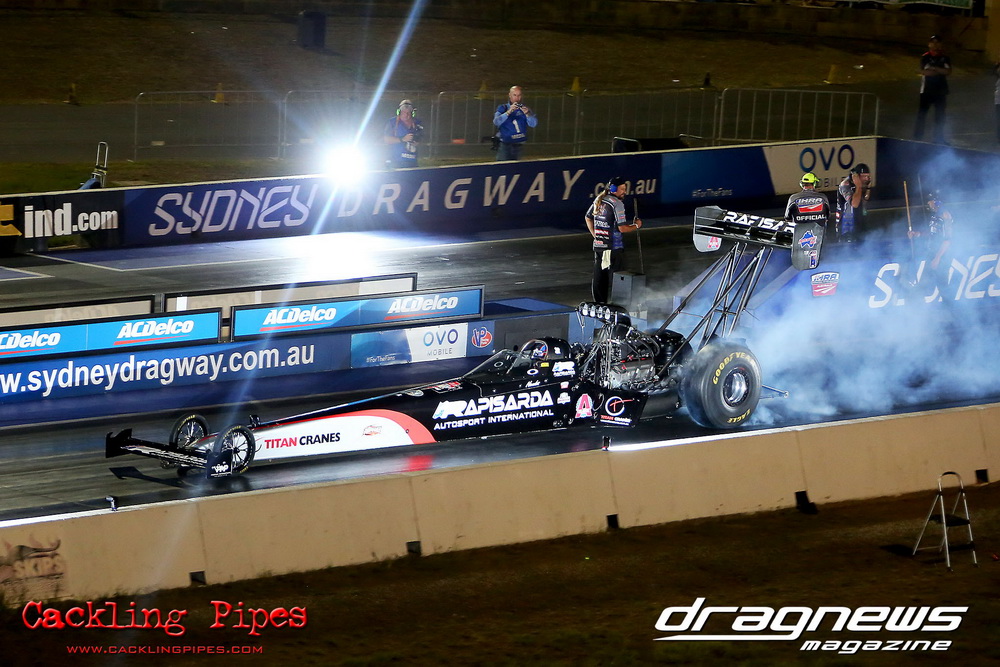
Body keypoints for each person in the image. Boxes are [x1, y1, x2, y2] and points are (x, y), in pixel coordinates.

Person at [585, 176, 642, 303]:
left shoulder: (599, 200)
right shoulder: (617, 204)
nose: (624, 192)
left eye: (625, 189)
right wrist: (636, 225)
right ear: (614, 189)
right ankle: (618, 305)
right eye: (622, 189)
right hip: (613, 248)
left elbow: (588, 218)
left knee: (600, 277)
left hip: (599, 246)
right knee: (619, 278)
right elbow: (622, 228)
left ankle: (600, 305)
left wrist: (596, 235)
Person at [908, 190, 953, 290]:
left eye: (930, 201)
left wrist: (937, 258)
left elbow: (947, 240)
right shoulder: (935, 216)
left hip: (942, 256)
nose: (928, 204)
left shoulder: (945, 215)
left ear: (936, 201)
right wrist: (917, 234)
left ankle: (949, 301)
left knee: (942, 285)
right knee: (924, 281)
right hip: (932, 253)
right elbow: (933, 232)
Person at [914, 36, 951, 144]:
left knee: (940, 116)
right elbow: (925, 72)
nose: (935, 45)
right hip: (926, 90)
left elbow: (948, 71)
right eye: (933, 42)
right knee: (922, 114)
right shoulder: (925, 57)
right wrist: (939, 70)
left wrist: (934, 68)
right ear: (929, 44)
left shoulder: (945, 57)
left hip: (941, 90)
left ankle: (938, 138)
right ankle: (917, 137)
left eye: (937, 42)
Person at [492, 86, 538, 161]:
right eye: (514, 95)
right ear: (510, 95)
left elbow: (533, 124)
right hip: (505, 144)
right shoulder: (503, 108)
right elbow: (496, 121)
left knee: (516, 166)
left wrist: (527, 114)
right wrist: (508, 112)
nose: (517, 98)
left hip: (519, 144)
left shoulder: (525, 108)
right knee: (502, 166)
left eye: (519, 95)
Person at [835, 163, 872, 243]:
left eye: (868, 176)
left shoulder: (863, 184)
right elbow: (854, 204)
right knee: (847, 247)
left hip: (859, 222)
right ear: (856, 176)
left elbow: (865, 200)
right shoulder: (845, 185)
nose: (866, 179)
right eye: (864, 176)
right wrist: (858, 187)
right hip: (846, 225)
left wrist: (868, 188)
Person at [383, 99, 423, 168]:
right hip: (395, 162)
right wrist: (402, 139)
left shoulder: (417, 123)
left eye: (408, 112)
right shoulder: (392, 122)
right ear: (399, 112)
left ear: (412, 113)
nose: (406, 115)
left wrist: (417, 142)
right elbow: (386, 140)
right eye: (404, 112)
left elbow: (421, 137)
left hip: (412, 162)